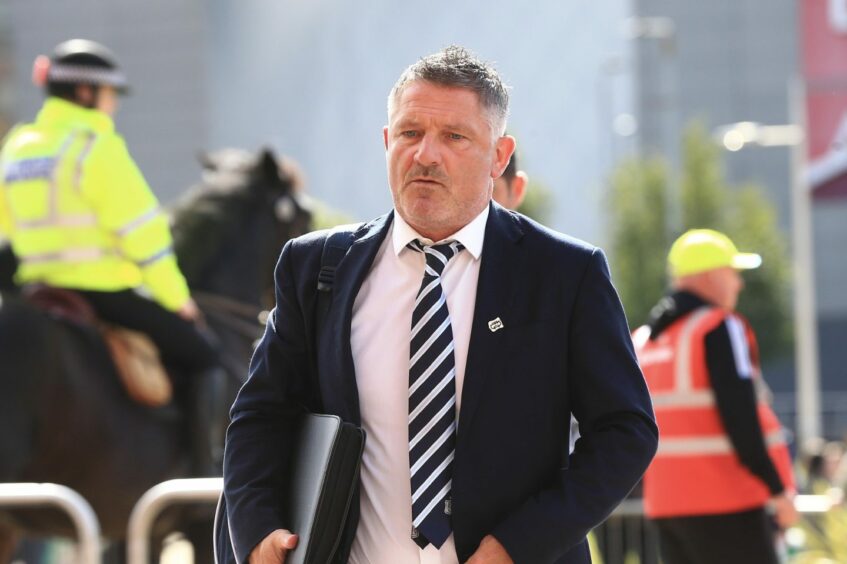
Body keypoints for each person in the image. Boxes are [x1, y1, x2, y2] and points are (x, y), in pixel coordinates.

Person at [223, 45, 657, 564]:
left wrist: (517, 546)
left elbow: (625, 432)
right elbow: (259, 415)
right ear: (387, 142)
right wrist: (256, 530)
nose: (426, 154)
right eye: (410, 133)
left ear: (498, 155)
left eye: (454, 136)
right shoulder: (316, 266)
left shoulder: (565, 273)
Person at [0, 39, 220, 471]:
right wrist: (178, 301)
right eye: (109, 95)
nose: (112, 106)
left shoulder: (17, 148)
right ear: (85, 93)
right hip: (100, 290)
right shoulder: (95, 147)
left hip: (36, 290)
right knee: (203, 355)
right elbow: (145, 239)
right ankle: (205, 471)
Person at [633, 229, 798, 564]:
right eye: (733, 272)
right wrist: (778, 492)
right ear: (709, 276)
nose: (739, 284)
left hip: (666, 506)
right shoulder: (719, 326)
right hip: (727, 503)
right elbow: (741, 419)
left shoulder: (643, 340)